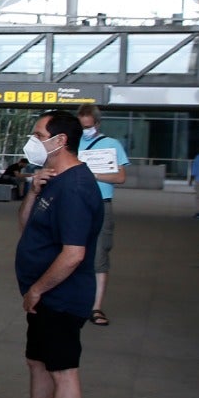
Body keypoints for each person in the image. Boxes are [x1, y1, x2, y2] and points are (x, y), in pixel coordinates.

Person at [0, 110, 103, 398]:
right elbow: (27, 227)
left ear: (61, 141)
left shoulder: (75, 187)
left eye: (39, 134)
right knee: (38, 363)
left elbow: (74, 254)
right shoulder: (54, 181)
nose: (33, 140)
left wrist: (39, 289)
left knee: (63, 370)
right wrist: (33, 191)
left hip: (60, 296)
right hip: (42, 296)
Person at [75, 103, 127, 326]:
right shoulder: (72, 143)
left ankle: (96, 307)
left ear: (97, 123)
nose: (85, 130)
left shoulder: (111, 144)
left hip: (101, 204)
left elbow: (120, 177)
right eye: (81, 126)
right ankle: (76, 300)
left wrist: (93, 174)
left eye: (88, 126)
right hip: (75, 203)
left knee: (99, 255)